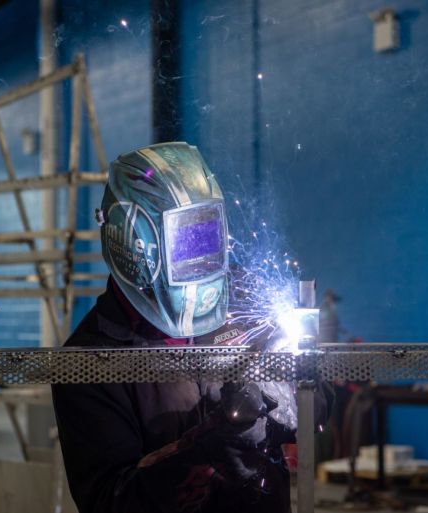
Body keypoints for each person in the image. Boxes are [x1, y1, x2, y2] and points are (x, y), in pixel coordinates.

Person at [52, 142, 330, 513]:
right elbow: (108, 502)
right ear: (133, 244)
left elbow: (320, 403)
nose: (199, 262)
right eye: (184, 245)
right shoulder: (87, 362)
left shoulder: (244, 299)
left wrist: (289, 403)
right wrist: (206, 447)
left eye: (206, 240)